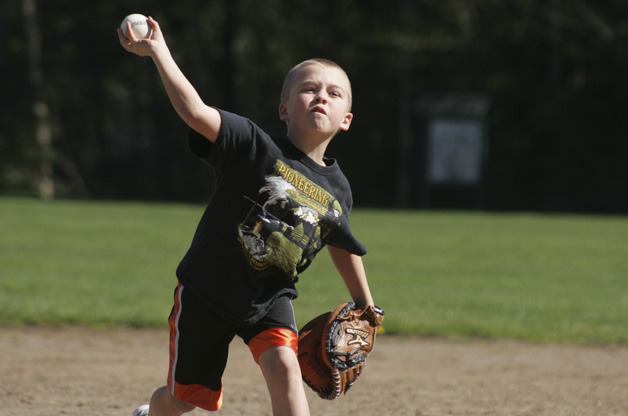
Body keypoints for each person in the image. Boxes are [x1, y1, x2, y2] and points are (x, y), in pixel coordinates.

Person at [117, 16, 376, 416]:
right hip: (207, 290)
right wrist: (158, 52)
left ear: (346, 120)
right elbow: (195, 111)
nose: (321, 96)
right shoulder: (254, 145)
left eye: (334, 93)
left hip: (270, 295)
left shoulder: (338, 188)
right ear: (285, 108)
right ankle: (149, 414)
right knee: (185, 399)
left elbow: (340, 242)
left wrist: (366, 303)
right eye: (309, 89)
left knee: (284, 366)